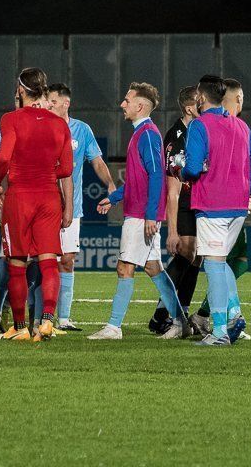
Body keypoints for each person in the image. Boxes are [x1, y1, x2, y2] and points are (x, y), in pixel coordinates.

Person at [88, 82, 186, 340]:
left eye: (127, 100)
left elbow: (157, 176)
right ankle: (180, 322)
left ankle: (113, 327)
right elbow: (138, 179)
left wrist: (151, 215)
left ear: (140, 106)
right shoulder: (141, 133)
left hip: (142, 215)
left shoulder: (148, 135)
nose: (123, 104)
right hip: (140, 211)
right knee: (153, 268)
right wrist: (114, 197)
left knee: (124, 268)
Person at [181, 75, 251, 346]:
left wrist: (184, 171)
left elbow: (193, 168)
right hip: (238, 208)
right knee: (221, 262)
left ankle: (219, 332)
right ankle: (233, 316)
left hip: (212, 205)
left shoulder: (199, 125)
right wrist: (242, 190)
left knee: (214, 265)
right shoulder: (241, 126)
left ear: (201, 98)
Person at [0, 67, 73, 341]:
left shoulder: (11, 119)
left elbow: (3, 158)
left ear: (20, 90)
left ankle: (20, 327)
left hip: (20, 196)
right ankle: (47, 321)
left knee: (16, 262)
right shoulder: (59, 123)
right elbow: (66, 170)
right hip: (49, 196)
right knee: (49, 260)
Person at [47, 83, 116, 330]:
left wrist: (109, 184)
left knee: (67, 260)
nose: (49, 105)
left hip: (71, 209)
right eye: (47, 101)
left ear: (65, 103)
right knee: (40, 262)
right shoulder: (41, 127)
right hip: (43, 206)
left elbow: (96, 161)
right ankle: (34, 317)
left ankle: (63, 319)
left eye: (53, 101)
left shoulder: (82, 130)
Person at [149, 86, 201, 335]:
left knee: (196, 258)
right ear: (190, 107)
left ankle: (181, 316)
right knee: (186, 253)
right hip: (183, 203)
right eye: (200, 103)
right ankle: (162, 313)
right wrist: (172, 231)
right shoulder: (177, 138)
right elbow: (173, 187)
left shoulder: (200, 132)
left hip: (199, 203)